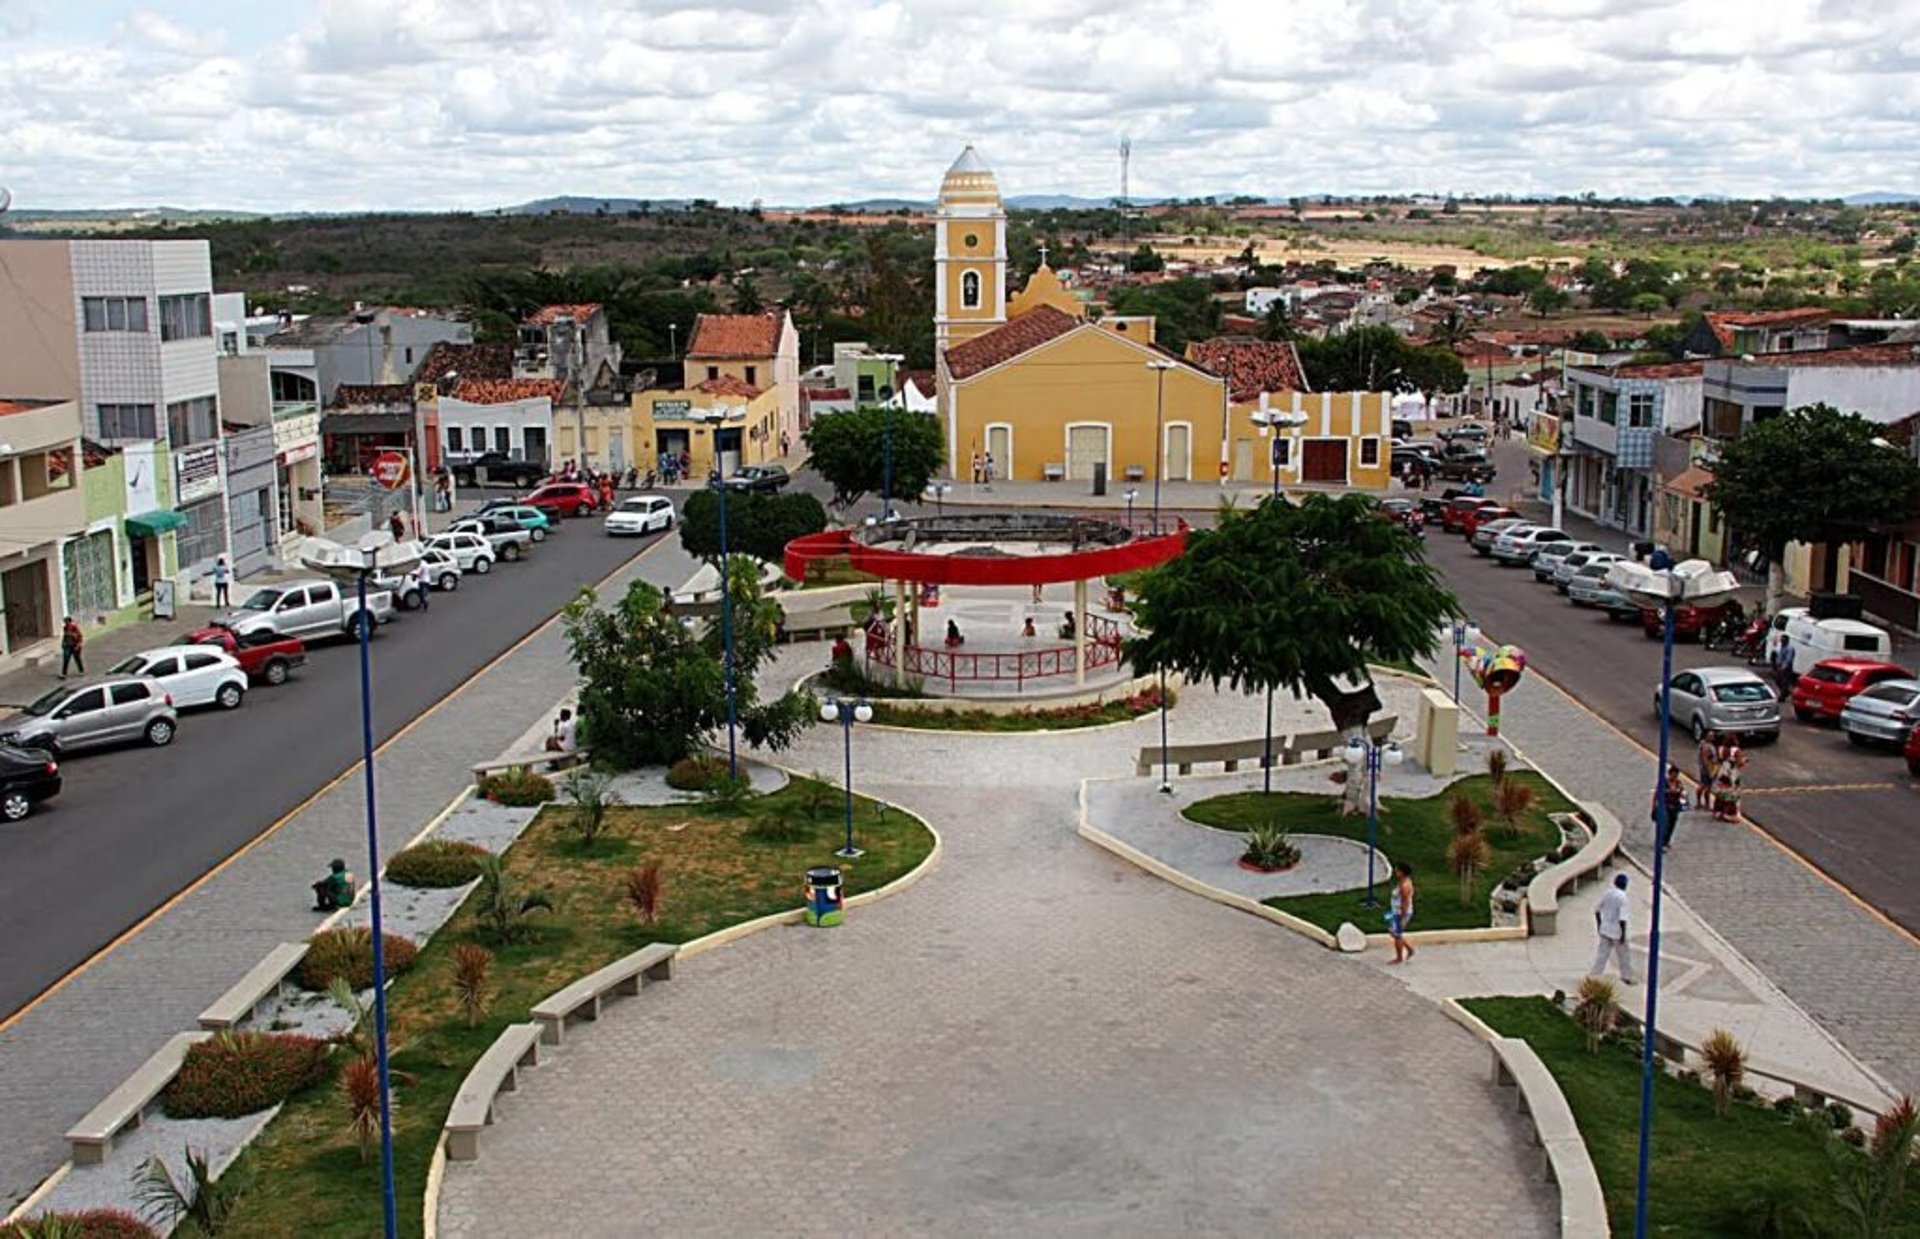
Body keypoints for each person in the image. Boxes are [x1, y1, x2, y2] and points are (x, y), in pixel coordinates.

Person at [1590, 872, 1635, 983]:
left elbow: (1596, 910)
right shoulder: (1623, 898)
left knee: (1602, 955)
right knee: (1624, 955)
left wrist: (1599, 924)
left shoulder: (1607, 893)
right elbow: (1622, 919)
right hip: (1616, 932)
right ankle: (1626, 977)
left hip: (1605, 929)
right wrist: (1623, 934)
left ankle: (1594, 976)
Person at [1387, 863, 1416, 964]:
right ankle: (1409, 949)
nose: (1396, 872)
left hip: (1400, 913)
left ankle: (1399, 957)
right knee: (1393, 932)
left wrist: (1403, 918)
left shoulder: (1405, 886)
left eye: (1397, 870)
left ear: (1402, 872)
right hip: (1395, 911)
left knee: (1397, 934)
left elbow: (1405, 902)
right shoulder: (1402, 882)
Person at [1656, 763, 1686, 851]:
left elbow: (1682, 793)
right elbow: (1658, 792)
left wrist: (1681, 794)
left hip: (1675, 806)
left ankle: (1667, 840)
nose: (1674, 777)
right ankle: (1662, 842)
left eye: (1676, 775)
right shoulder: (1663, 782)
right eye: (1673, 775)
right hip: (1665, 805)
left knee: (1672, 824)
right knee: (1665, 823)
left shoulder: (1679, 783)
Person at [1695, 731, 1718, 810]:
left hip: (1705, 768)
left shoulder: (1704, 744)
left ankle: (1699, 803)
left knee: (1703, 785)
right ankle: (1706, 804)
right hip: (1707, 768)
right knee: (1707, 786)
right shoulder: (1706, 746)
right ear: (1706, 736)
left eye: (1713, 735)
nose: (1712, 737)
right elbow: (1705, 759)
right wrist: (1709, 770)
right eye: (1710, 735)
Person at [1770, 632, 1796, 696]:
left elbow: (1788, 659)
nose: (1781, 641)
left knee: (1784, 681)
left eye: (1783, 640)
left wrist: (1783, 667)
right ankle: (1785, 691)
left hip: (1786, 667)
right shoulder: (1781, 646)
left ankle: (1783, 694)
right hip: (1779, 666)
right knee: (1777, 680)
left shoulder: (1789, 648)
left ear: (1787, 641)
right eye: (1781, 640)